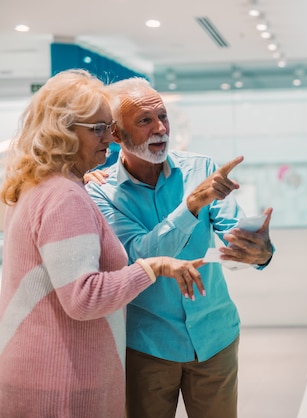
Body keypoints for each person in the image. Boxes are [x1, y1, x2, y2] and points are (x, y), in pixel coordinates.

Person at [0, 69, 206, 417]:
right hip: (63, 384)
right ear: (63, 131)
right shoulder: (64, 196)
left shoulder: (41, 186)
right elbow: (85, 297)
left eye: (107, 128)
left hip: (43, 371)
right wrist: (152, 267)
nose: (109, 140)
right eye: (97, 129)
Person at [84, 76, 275, 418]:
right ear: (116, 134)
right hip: (148, 346)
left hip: (215, 337)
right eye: (145, 121)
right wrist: (191, 205)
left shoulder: (200, 168)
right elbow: (140, 255)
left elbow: (234, 235)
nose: (160, 128)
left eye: (163, 116)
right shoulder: (101, 192)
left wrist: (260, 251)